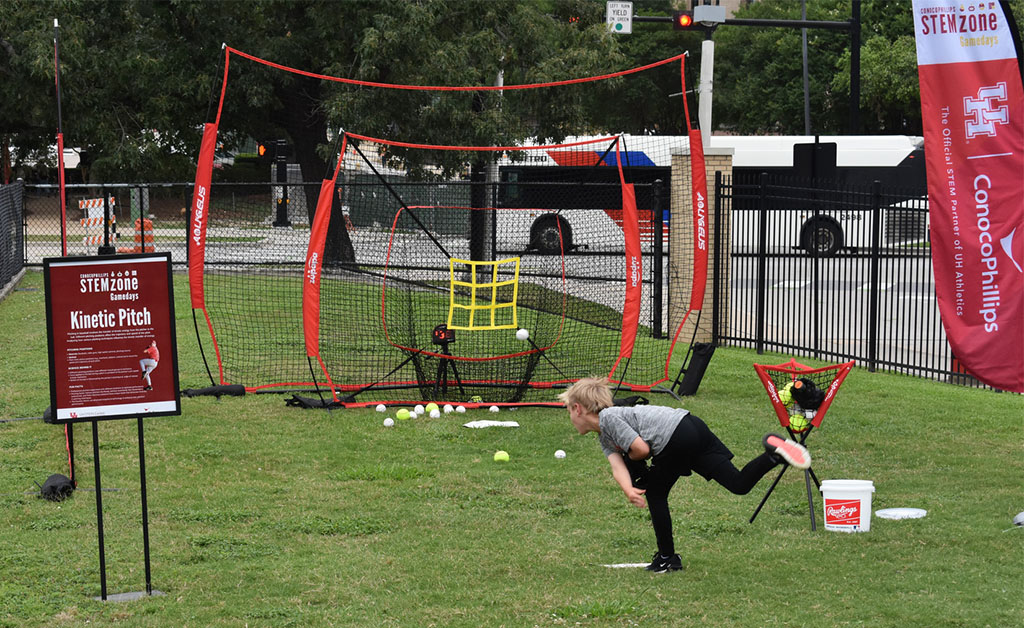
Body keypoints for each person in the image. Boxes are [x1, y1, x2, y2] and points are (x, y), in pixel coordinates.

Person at [559, 376, 810, 573]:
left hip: (675, 436)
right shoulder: (605, 434)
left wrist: (636, 464)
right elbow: (617, 466)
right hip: (691, 426)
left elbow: (641, 450)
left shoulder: (610, 418)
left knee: (656, 494)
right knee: (738, 484)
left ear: (578, 408)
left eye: (569, 410)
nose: (570, 417)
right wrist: (628, 488)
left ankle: (667, 558)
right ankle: (775, 455)